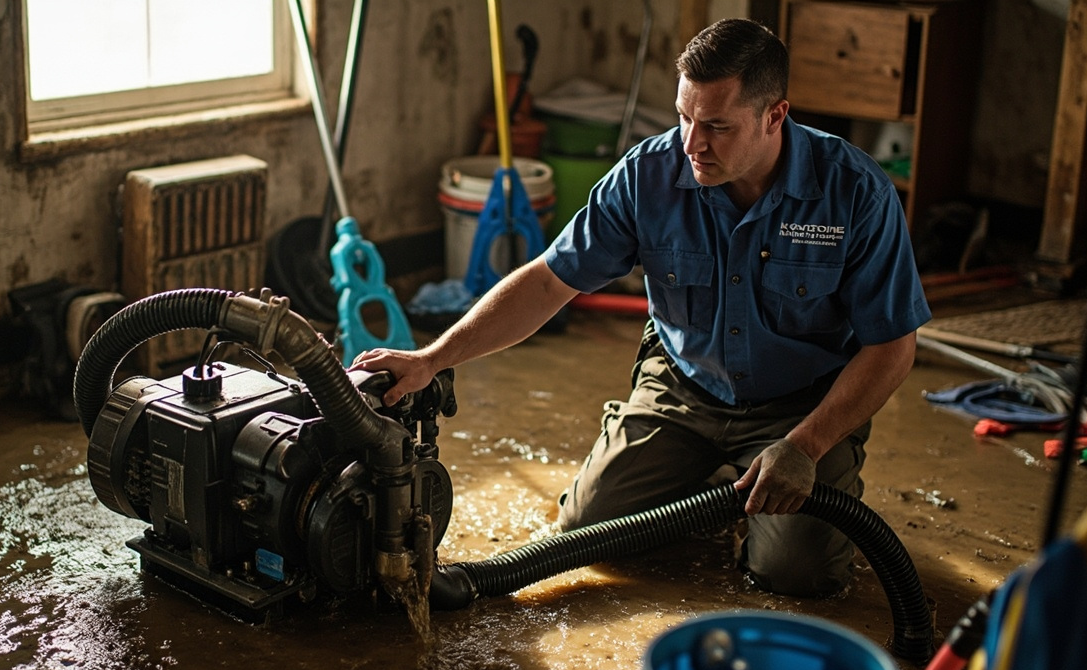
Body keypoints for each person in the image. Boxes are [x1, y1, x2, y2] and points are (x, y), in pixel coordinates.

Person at [352, 18, 930, 597]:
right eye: (684, 117)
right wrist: (433, 356)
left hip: (803, 405)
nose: (692, 144)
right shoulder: (647, 175)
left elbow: (892, 346)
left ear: (774, 116)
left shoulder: (854, 190)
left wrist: (807, 446)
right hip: (683, 386)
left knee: (795, 578)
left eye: (717, 126)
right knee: (589, 531)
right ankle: (707, 485)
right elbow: (550, 282)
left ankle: (766, 491)